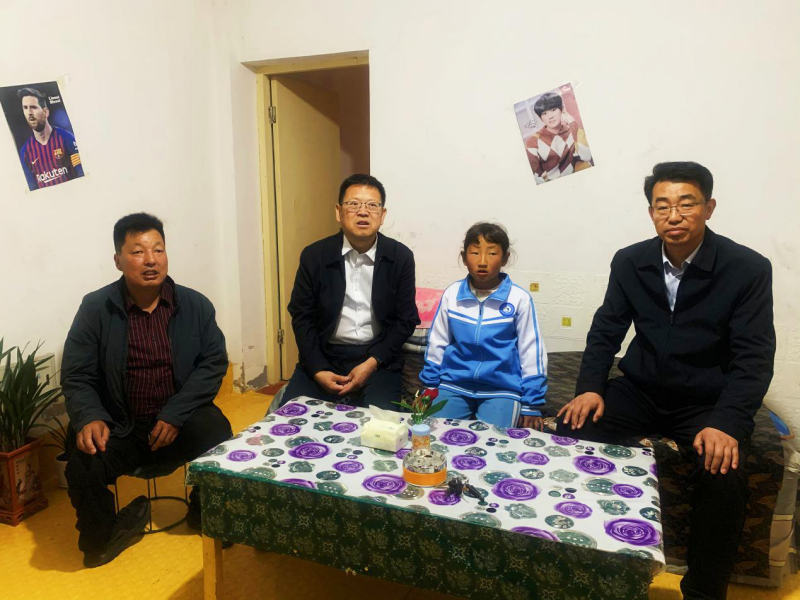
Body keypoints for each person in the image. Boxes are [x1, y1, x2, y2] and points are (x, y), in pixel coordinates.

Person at [556, 162, 775, 599]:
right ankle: (580, 561)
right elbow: (606, 330)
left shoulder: (747, 268)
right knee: (572, 427)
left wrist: (728, 422)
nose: (674, 216)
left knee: (725, 471)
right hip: (641, 389)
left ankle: (703, 591)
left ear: (709, 207)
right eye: (662, 206)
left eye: (686, 204)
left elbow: (754, 356)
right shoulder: (631, 261)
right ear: (651, 212)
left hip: (705, 401)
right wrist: (590, 388)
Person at [62, 213, 232, 568]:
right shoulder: (96, 308)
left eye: (158, 249)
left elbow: (213, 363)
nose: (151, 260)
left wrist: (175, 413)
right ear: (118, 260)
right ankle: (103, 536)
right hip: (120, 425)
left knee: (217, 430)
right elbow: (78, 375)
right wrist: (90, 416)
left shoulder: (195, 305)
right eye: (138, 251)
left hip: (179, 421)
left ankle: (204, 510)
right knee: (83, 458)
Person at [282, 174, 420, 409]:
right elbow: (302, 316)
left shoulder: (400, 257)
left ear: (382, 215)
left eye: (372, 205)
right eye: (354, 204)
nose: (363, 212)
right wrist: (317, 369)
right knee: (291, 421)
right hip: (324, 355)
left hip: (378, 359)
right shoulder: (314, 256)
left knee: (380, 426)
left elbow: (406, 320)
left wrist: (372, 363)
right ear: (339, 212)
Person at [420, 223, 547, 429]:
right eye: (475, 253)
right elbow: (437, 344)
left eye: (492, 253)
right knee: (434, 436)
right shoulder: (452, 295)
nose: (482, 261)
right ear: (464, 257)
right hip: (453, 385)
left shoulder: (519, 299)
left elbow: (531, 352)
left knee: (496, 442)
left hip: (502, 391)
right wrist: (430, 386)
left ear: (505, 258)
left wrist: (531, 403)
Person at [16, 87, 84, 191]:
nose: (29, 112)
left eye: (33, 107)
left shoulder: (66, 138)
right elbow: (33, 190)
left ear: (46, 112)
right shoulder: (25, 152)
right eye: (25, 108)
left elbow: (81, 174)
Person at [524, 91, 592, 184]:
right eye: (544, 113)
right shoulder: (533, 141)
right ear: (541, 118)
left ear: (562, 109)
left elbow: (587, 156)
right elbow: (534, 177)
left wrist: (572, 122)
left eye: (553, 110)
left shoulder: (572, 131)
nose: (550, 116)